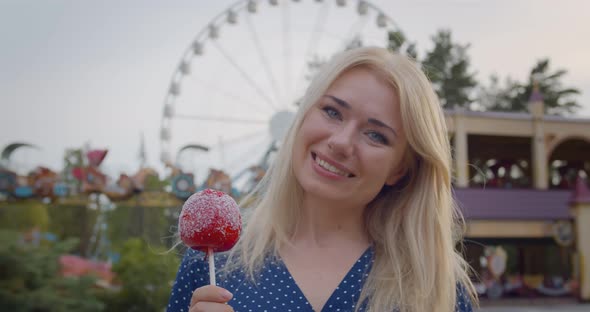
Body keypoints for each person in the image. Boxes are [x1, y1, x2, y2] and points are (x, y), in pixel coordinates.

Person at [167, 47, 477, 312]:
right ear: (303, 115)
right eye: (332, 112)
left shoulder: (439, 288)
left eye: (375, 135)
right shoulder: (214, 262)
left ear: (401, 169)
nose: (341, 142)